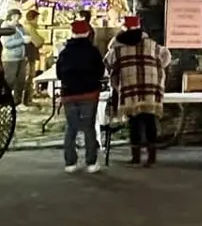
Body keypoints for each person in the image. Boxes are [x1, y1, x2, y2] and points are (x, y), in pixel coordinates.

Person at [106, 15, 170, 166]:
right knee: (149, 120)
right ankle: (151, 158)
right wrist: (158, 68)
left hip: (129, 86)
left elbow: (108, 62)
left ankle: (136, 157)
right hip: (150, 87)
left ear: (124, 27)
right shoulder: (151, 44)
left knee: (134, 121)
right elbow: (166, 55)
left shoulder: (117, 45)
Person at [55, 19, 106, 172]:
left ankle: (70, 163)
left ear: (72, 33)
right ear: (87, 32)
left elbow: (59, 74)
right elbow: (100, 71)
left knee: (71, 128)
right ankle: (91, 162)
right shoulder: (93, 51)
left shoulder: (64, 52)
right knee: (89, 127)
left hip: (69, 94)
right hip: (89, 93)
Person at [0, 8, 30, 104]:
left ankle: (17, 101)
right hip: (10, 58)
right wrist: (22, 41)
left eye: (18, 16)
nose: (17, 18)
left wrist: (26, 38)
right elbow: (7, 44)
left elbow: (24, 36)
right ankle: (5, 100)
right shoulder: (6, 28)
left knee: (20, 81)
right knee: (10, 80)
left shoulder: (19, 27)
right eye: (15, 16)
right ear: (11, 16)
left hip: (21, 57)